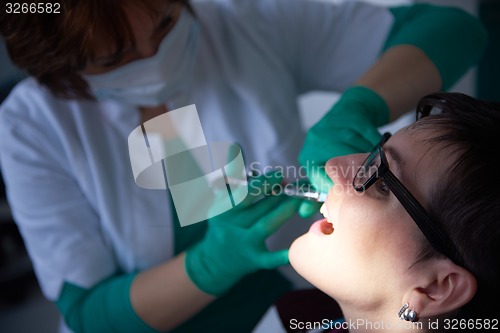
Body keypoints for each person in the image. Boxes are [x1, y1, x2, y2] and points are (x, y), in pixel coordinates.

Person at [0, 0, 487, 332]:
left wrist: (356, 108)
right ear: (60, 65)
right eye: (116, 57)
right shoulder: (31, 127)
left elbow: (455, 29)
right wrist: (211, 265)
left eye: (166, 24)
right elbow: (88, 313)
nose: (153, 57)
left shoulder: (241, 22)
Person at [289, 92, 500, 332]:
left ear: (436, 288)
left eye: (383, 185)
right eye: (375, 153)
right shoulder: (293, 312)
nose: (333, 165)